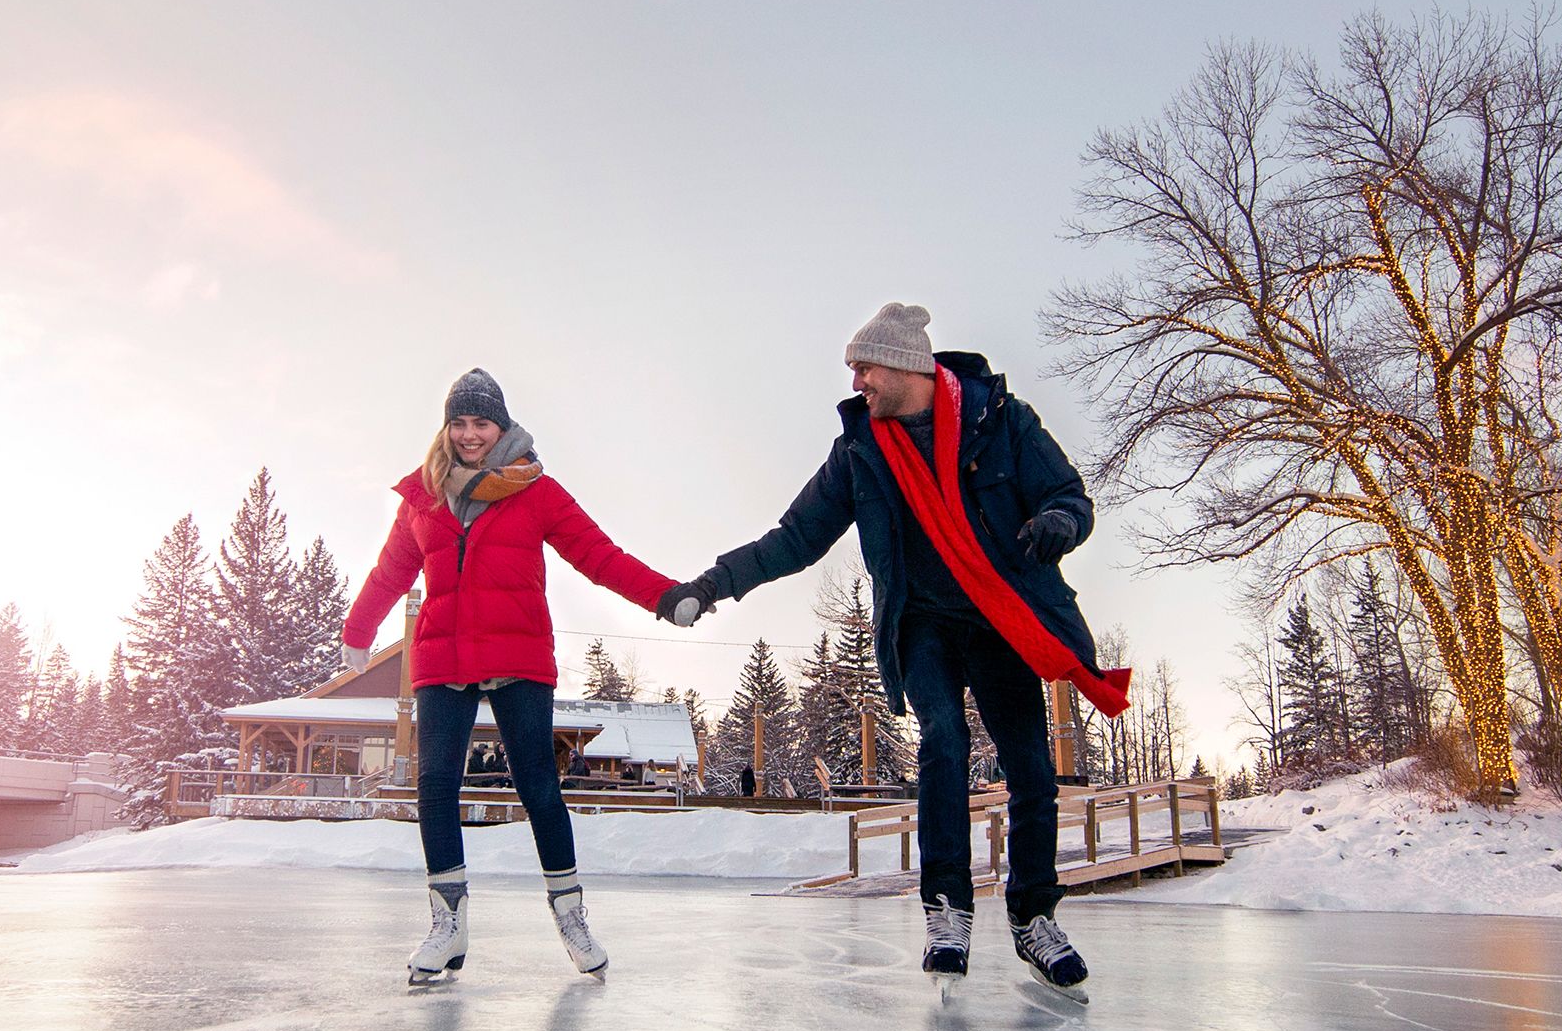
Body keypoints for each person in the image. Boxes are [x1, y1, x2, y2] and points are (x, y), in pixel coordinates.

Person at [660, 303, 1124, 987]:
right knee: (943, 739)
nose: (857, 383)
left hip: (1001, 615)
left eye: (864, 366)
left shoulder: (1002, 421)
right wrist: (712, 583)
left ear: (906, 364)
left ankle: (1033, 917)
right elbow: (794, 537)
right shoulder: (860, 450)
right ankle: (946, 910)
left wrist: (1058, 521)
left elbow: (1070, 494)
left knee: (1031, 765)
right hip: (923, 622)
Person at [344, 369, 680, 988]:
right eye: (460, 423)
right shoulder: (423, 496)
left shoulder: (537, 491)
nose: (470, 435)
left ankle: (572, 915)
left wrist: (665, 597)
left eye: (482, 423)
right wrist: (356, 631)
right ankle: (448, 923)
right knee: (436, 786)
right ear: (447, 428)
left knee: (538, 788)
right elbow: (391, 570)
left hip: (518, 654)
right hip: (442, 658)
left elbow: (599, 556)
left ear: (503, 426)